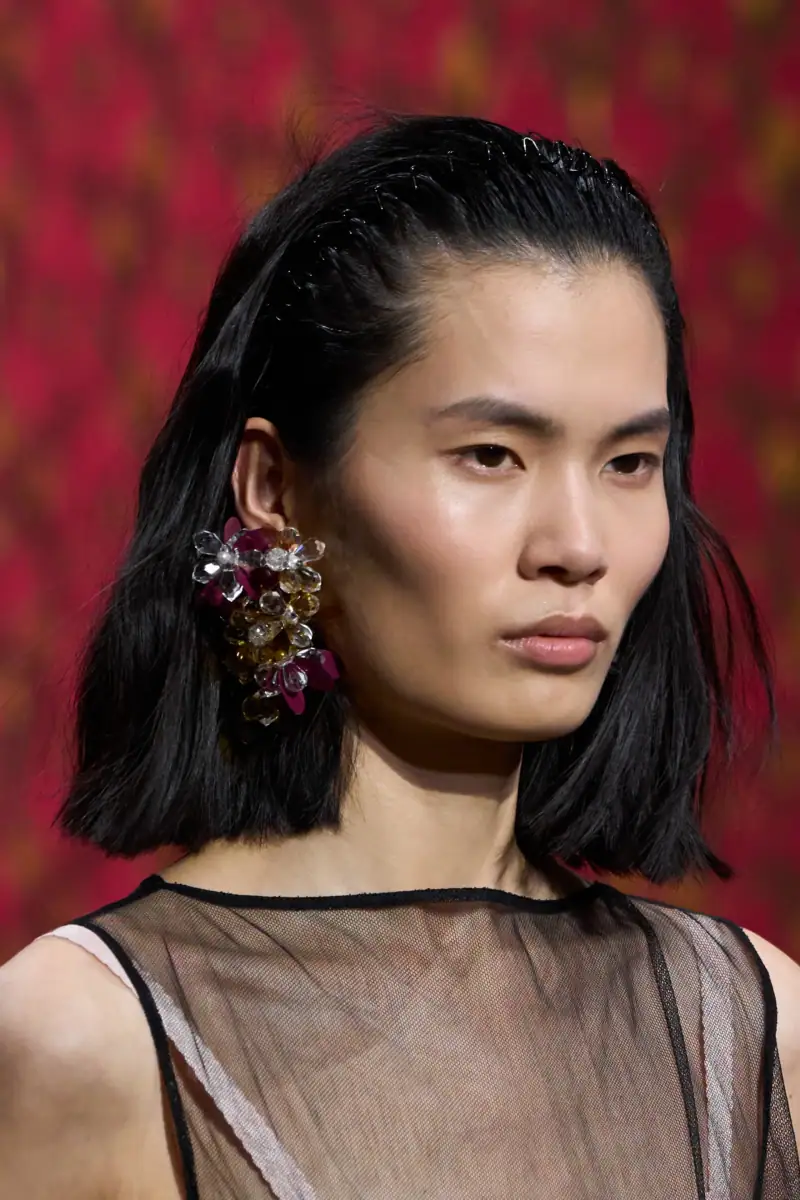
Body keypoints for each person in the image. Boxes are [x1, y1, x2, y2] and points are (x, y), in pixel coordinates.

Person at [0, 113, 798, 1199]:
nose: (578, 546)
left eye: (628, 463)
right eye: (491, 455)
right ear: (276, 489)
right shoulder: (85, 1045)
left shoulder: (750, 1032)